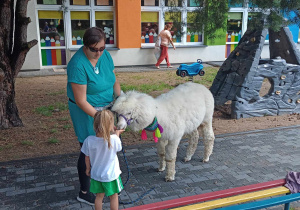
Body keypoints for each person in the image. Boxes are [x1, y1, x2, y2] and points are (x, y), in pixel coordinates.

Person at [67, 27, 121, 205]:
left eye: (102, 48)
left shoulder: (105, 55)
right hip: (87, 112)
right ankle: (84, 191)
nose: (98, 53)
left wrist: (121, 99)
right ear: (85, 46)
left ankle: (105, 181)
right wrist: (102, 119)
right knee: (89, 149)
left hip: (105, 109)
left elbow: (113, 78)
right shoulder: (77, 64)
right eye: (94, 49)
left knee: (106, 146)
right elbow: (81, 101)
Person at [81, 110, 124, 210]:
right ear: (110, 125)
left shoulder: (89, 140)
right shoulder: (114, 139)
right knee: (114, 197)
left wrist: (88, 169)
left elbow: (86, 157)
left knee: (99, 197)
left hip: (96, 175)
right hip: (111, 176)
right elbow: (118, 148)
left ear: (95, 124)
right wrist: (117, 133)